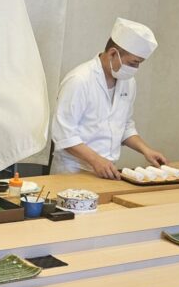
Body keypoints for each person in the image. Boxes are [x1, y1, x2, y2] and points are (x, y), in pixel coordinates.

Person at [50, 17, 167, 179]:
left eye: (139, 63)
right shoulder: (79, 80)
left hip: (106, 170)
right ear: (113, 53)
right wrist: (96, 160)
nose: (135, 69)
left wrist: (146, 150)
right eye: (133, 63)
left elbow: (124, 126)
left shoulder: (128, 82)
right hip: (72, 170)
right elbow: (64, 135)